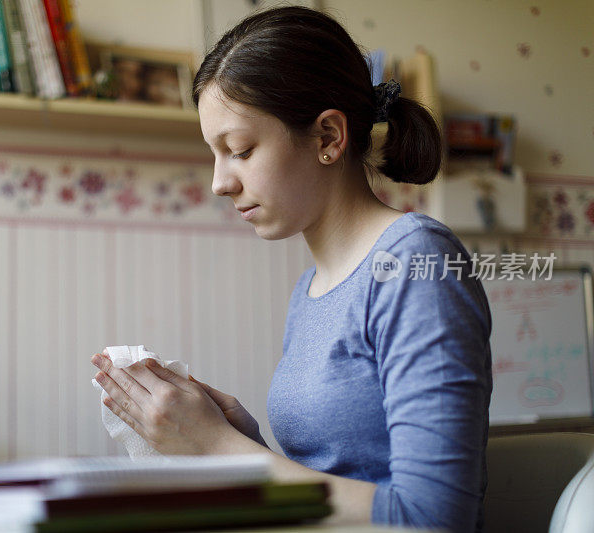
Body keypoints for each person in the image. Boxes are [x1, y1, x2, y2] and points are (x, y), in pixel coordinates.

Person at [90, 6, 492, 532]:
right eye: (215, 154)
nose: (220, 183)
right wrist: (238, 436)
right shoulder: (311, 290)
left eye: (240, 150)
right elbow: (339, 482)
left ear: (328, 137)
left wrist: (219, 447)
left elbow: (434, 518)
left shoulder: (416, 264)